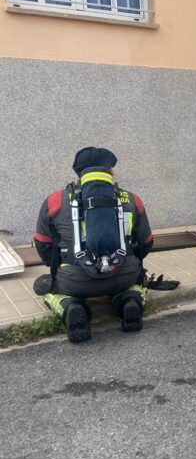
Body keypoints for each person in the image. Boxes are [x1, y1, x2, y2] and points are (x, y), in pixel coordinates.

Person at [33, 147, 153, 343]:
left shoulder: (55, 200)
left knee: (51, 291)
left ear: (79, 173)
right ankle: (130, 300)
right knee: (137, 284)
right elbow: (146, 243)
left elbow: (43, 243)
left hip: (74, 281)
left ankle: (72, 306)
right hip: (123, 275)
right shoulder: (132, 199)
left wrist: (57, 268)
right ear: (110, 171)